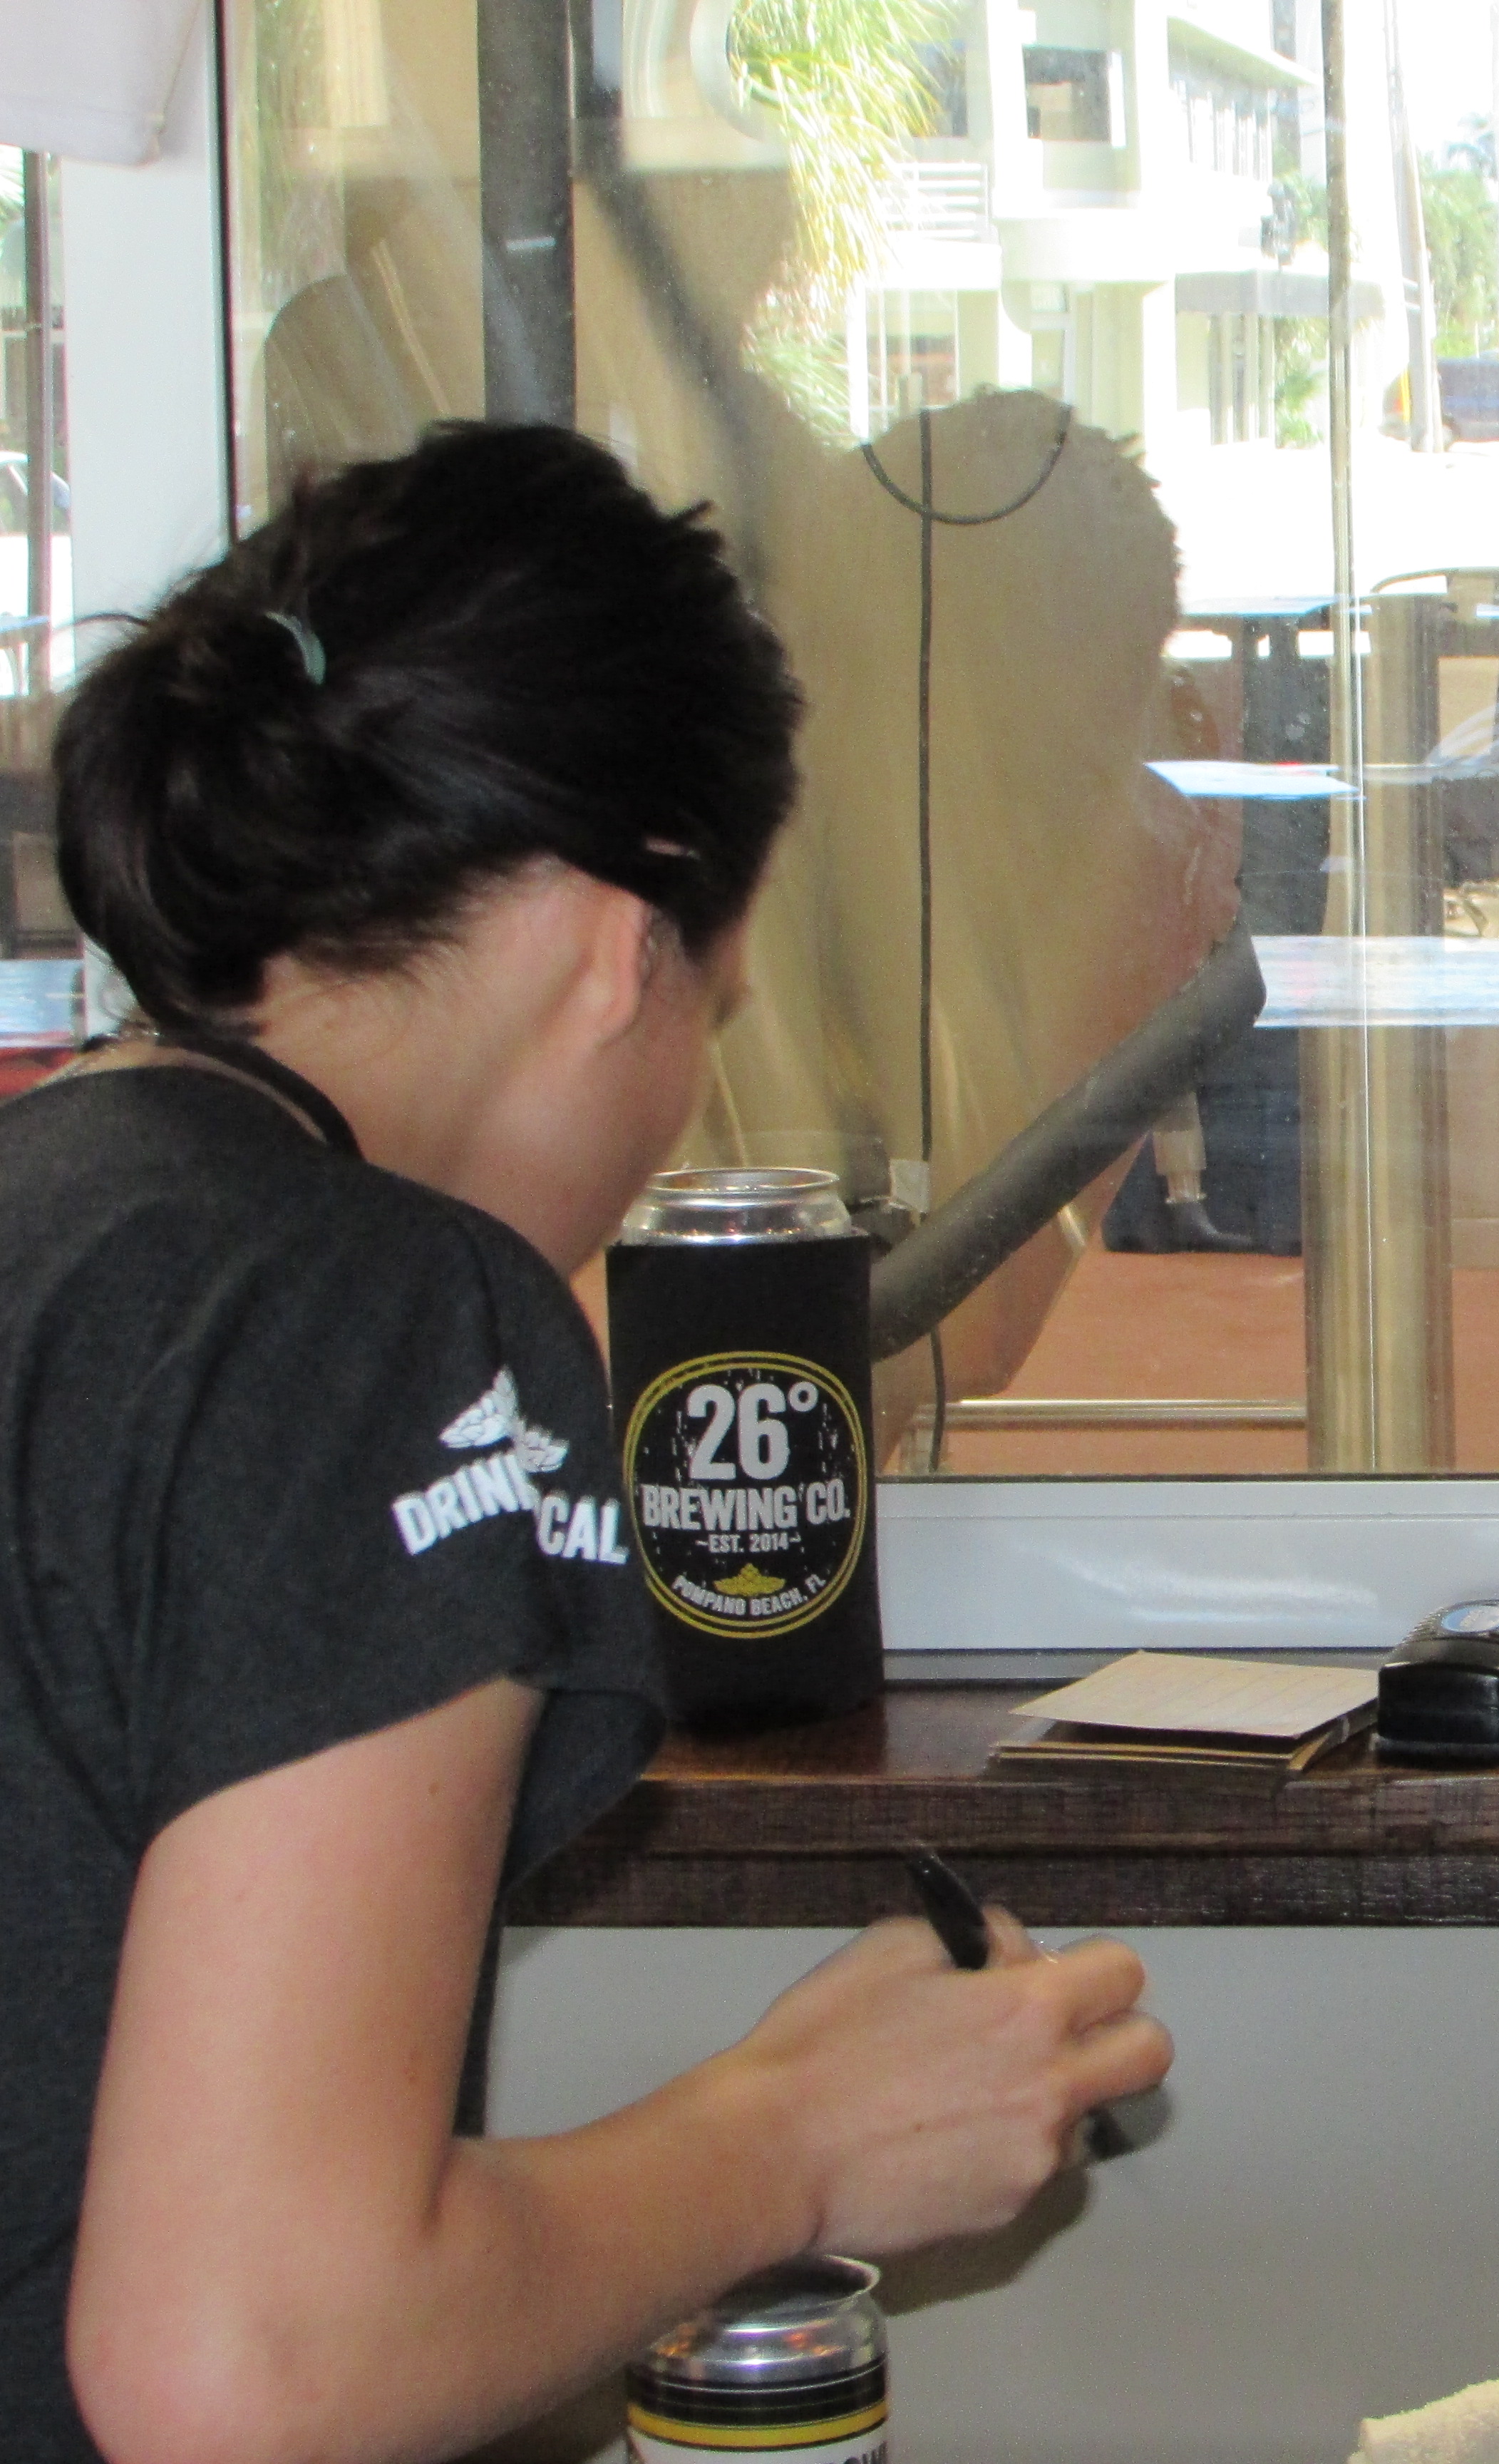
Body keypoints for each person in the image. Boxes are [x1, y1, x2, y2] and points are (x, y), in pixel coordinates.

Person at [1, 423, 1173, 2464]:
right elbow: (256, 2362)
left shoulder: (66, 1212)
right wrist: (796, 2140)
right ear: (627, 953)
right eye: (716, 1009)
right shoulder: (382, 1313)